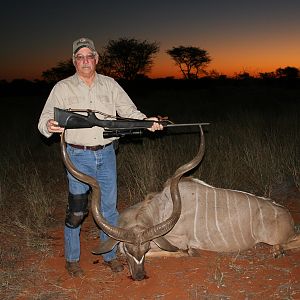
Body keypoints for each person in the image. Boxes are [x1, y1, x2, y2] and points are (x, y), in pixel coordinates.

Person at [38, 37, 163, 277]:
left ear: (96, 59)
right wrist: (50, 124)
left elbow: (129, 112)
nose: (85, 61)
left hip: (106, 155)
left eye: (89, 56)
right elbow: (43, 120)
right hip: (77, 156)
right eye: (80, 57)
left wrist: (149, 122)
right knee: (77, 210)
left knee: (109, 209)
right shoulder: (62, 88)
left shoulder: (110, 84)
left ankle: (109, 255)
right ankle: (72, 259)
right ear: (74, 62)